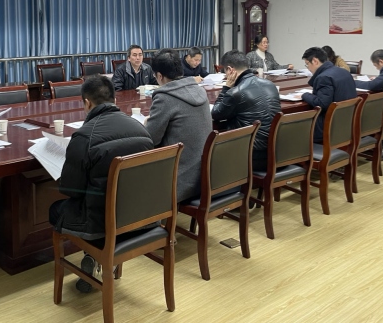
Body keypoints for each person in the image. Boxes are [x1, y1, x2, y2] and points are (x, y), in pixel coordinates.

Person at [49, 75, 153, 292]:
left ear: (87, 103)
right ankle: (97, 257)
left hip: (101, 222)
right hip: (141, 216)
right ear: (114, 99)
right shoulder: (141, 129)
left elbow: (70, 190)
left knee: (56, 210)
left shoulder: (84, 137)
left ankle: (95, 253)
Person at [145, 49, 212, 203]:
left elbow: (151, 139)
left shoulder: (164, 97)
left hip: (179, 180)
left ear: (159, 76)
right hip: (205, 176)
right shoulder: (200, 91)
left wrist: (147, 123)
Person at [211, 50, 281, 171]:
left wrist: (226, 88)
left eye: (225, 72)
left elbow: (216, 113)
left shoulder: (236, 92)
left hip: (252, 156)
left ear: (230, 70)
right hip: (278, 152)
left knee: (212, 151)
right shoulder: (270, 84)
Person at [301, 47, 358, 142]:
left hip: (329, 126)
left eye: (307, 64)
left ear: (315, 61)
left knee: (293, 127)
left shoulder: (324, 77)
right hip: (348, 123)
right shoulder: (344, 72)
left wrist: (304, 95)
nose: (308, 68)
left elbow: (322, 103)